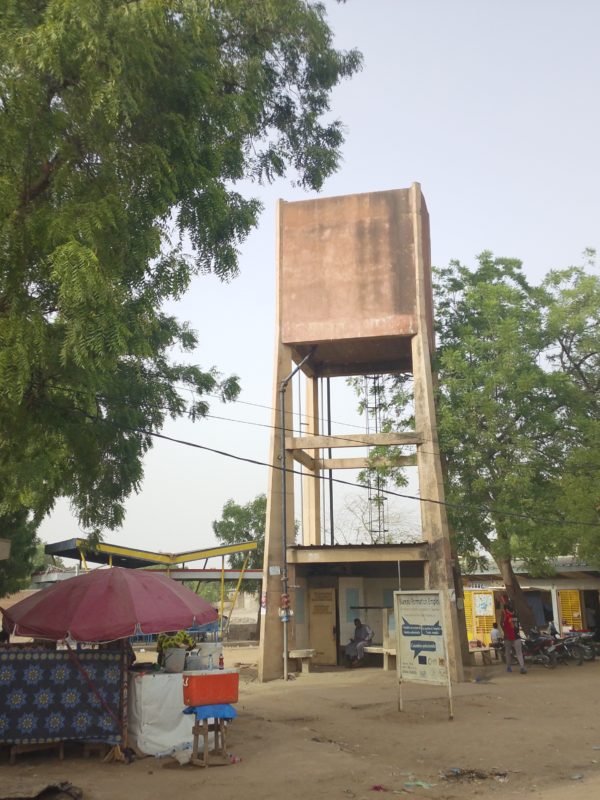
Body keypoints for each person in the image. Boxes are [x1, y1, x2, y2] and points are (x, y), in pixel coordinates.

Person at [501, 603, 527, 674]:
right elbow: (518, 623)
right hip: (516, 636)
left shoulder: (504, 614)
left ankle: (509, 667)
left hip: (507, 637)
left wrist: (505, 631)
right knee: (519, 653)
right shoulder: (516, 613)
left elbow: (501, 623)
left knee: (508, 652)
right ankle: (522, 667)